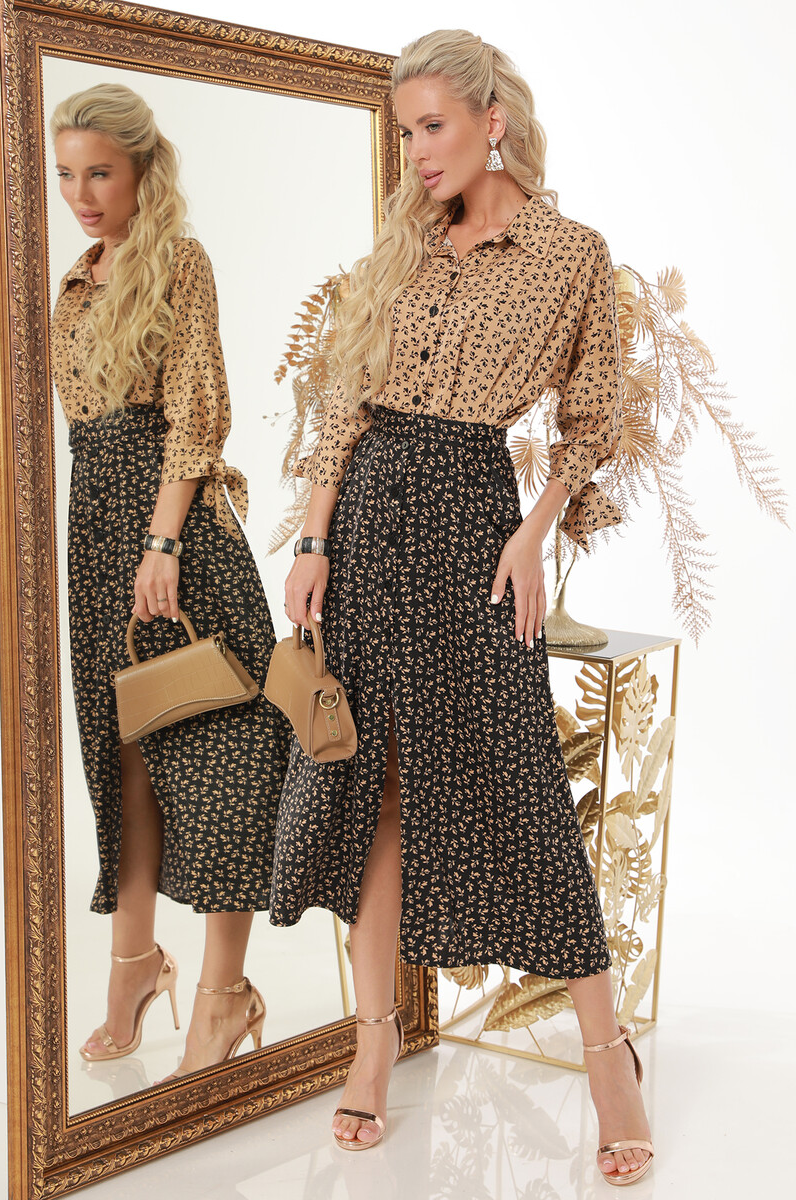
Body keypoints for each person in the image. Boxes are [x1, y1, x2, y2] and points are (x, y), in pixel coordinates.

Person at [272, 29, 653, 1186]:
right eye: (404, 133)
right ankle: (374, 1044)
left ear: (492, 119)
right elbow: (341, 399)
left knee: (517, 780)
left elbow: (593, 417)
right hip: (367, 519)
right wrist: (312, 535)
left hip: (473, 521)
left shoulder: (568, 254)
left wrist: (532, 532)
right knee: (375, 784)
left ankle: (606, 1059)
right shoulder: (401, 243)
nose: (416, 152)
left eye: (431, 126)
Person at [50, 83, 290, 1079]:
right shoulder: (71, 285)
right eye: (66, 175)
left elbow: (197, 410)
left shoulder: (178, 262)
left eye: (100, 172)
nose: (81, 194)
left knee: (224, 758)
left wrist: (162, 541)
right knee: (126, 764)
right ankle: (135, 969)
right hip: (95, 536)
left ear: (143, 168)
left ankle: (224, 994)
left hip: (177, 532)